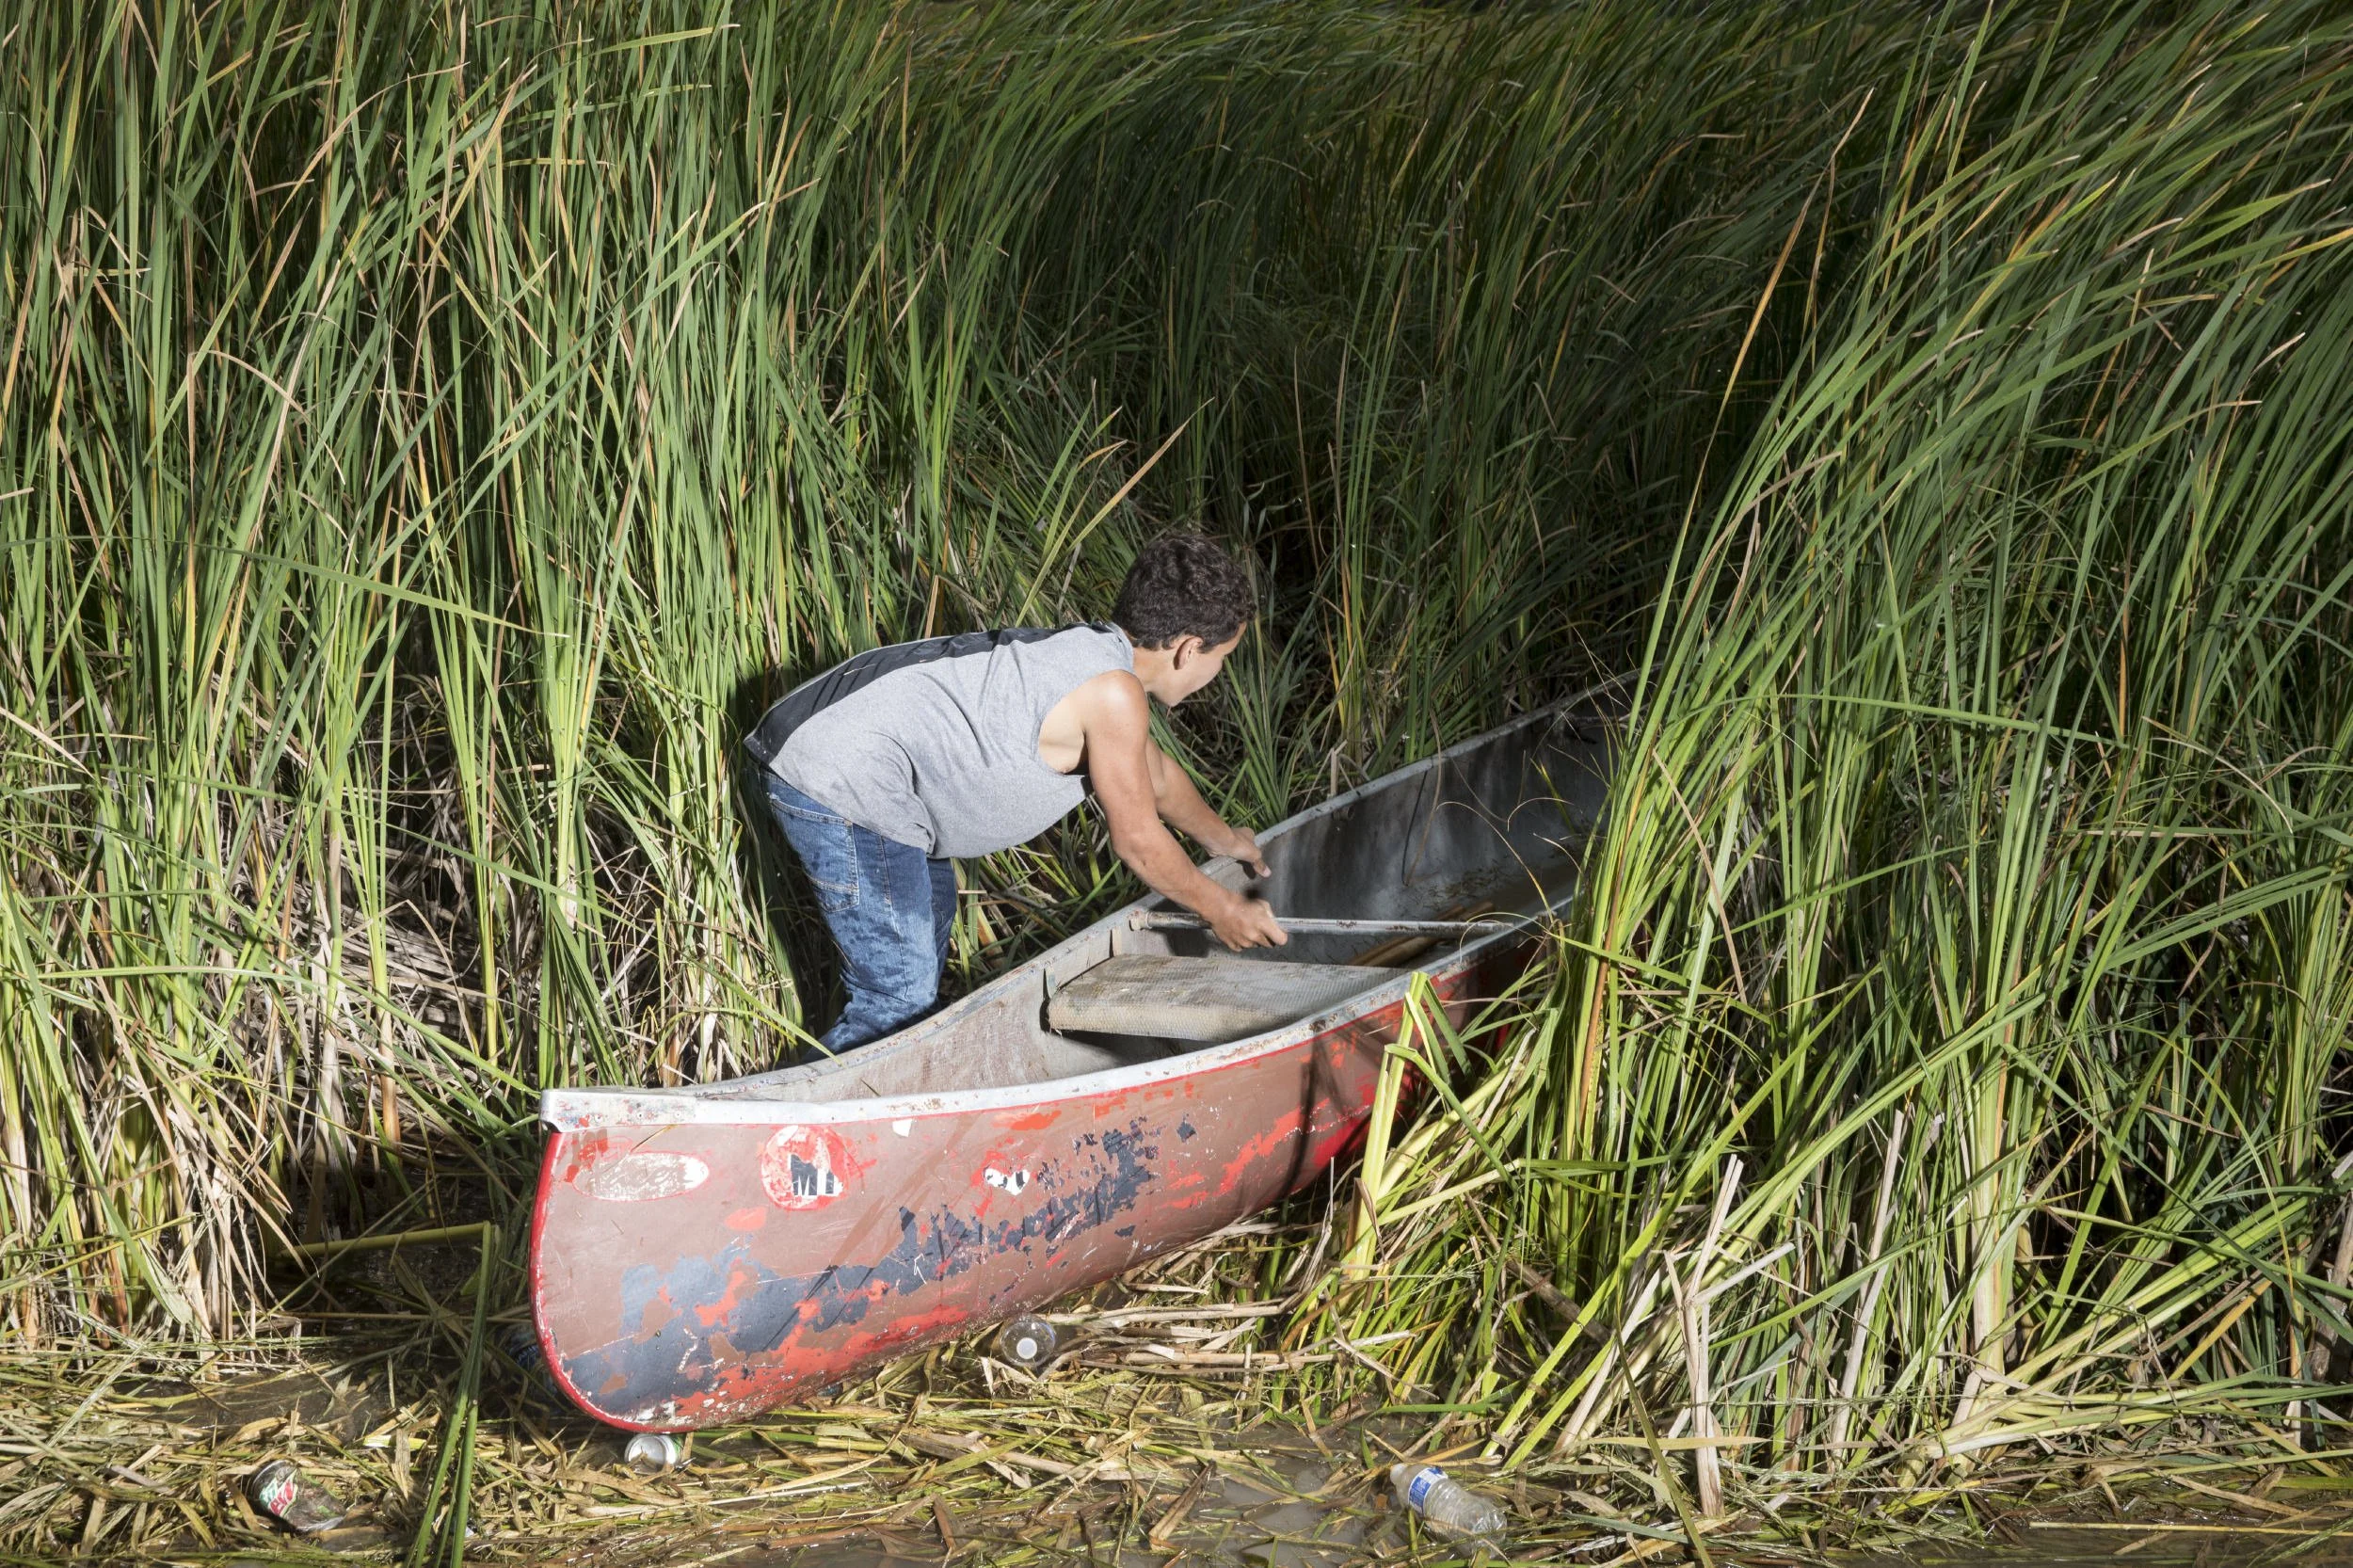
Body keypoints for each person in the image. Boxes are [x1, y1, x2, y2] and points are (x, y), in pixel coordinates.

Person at [745, 534, 1287, 1051]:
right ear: (1189, 649)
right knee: (898, 998)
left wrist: (1223, 839)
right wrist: (1222, 909)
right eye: (1222, 658)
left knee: (927, 934)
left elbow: (1159, 779)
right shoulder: (1113, 694)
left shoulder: (1095, 659)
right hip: (843, 777)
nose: (1214, 673)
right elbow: (1139, 842)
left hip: (861, 775)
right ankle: (790, 1137)